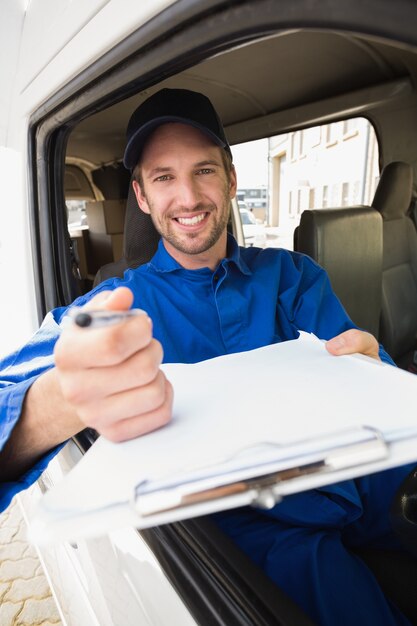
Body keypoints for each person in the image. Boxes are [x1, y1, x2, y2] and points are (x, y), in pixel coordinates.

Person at [0, 88, 414, 626]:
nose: (189, 197)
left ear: (232, 179)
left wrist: (376, 369)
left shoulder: (294, 276)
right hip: (258, 545)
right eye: (164, 177)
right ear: (142, 197)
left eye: (204, 171)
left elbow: (360, 385)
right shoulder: (108, 311)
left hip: (364, 490)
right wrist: (58, 403)